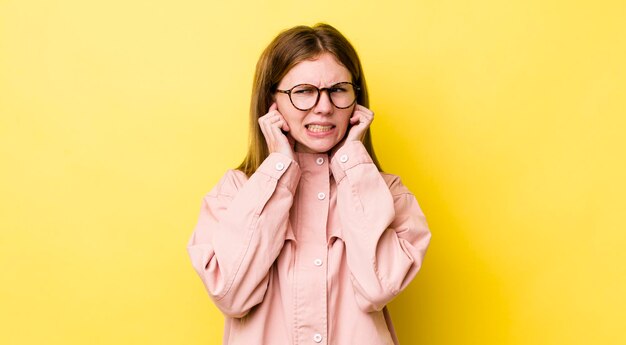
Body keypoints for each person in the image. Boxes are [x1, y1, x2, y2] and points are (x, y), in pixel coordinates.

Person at [187, 23, 431, 345]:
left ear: (356, 101)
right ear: (271, 103)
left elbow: (377, 287)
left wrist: (353, 164)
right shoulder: (234, 193)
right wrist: (278, 169)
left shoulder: (388, 194)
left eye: (338, 89)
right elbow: (232, 293)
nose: (324, 106)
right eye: (303, 91)